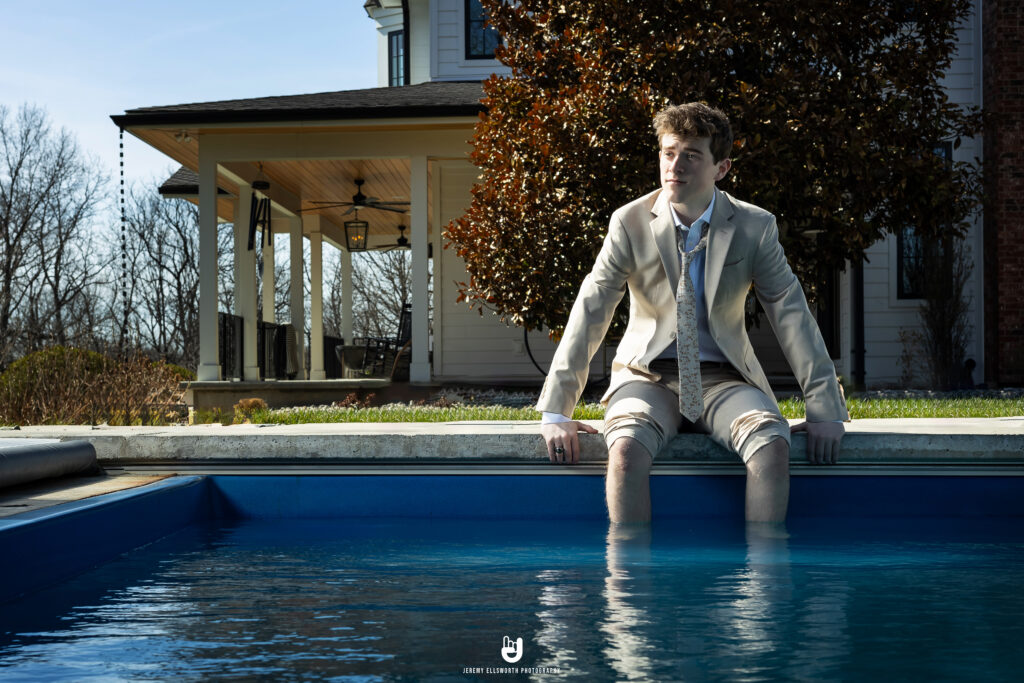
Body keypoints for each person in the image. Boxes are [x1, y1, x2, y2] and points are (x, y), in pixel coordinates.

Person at [536, 102, 849, 526]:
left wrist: (825, 409)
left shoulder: (754, 226)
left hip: (725, 378)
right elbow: (593, 306)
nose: (675, 166)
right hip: (647, 375)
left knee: (771, 444)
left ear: (722, 167)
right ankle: (629, 587)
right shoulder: (628, 222)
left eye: (691, 155)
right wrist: (557, 409)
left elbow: (791, 312)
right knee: (625, 449)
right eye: (668, 152)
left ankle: (765, 586)